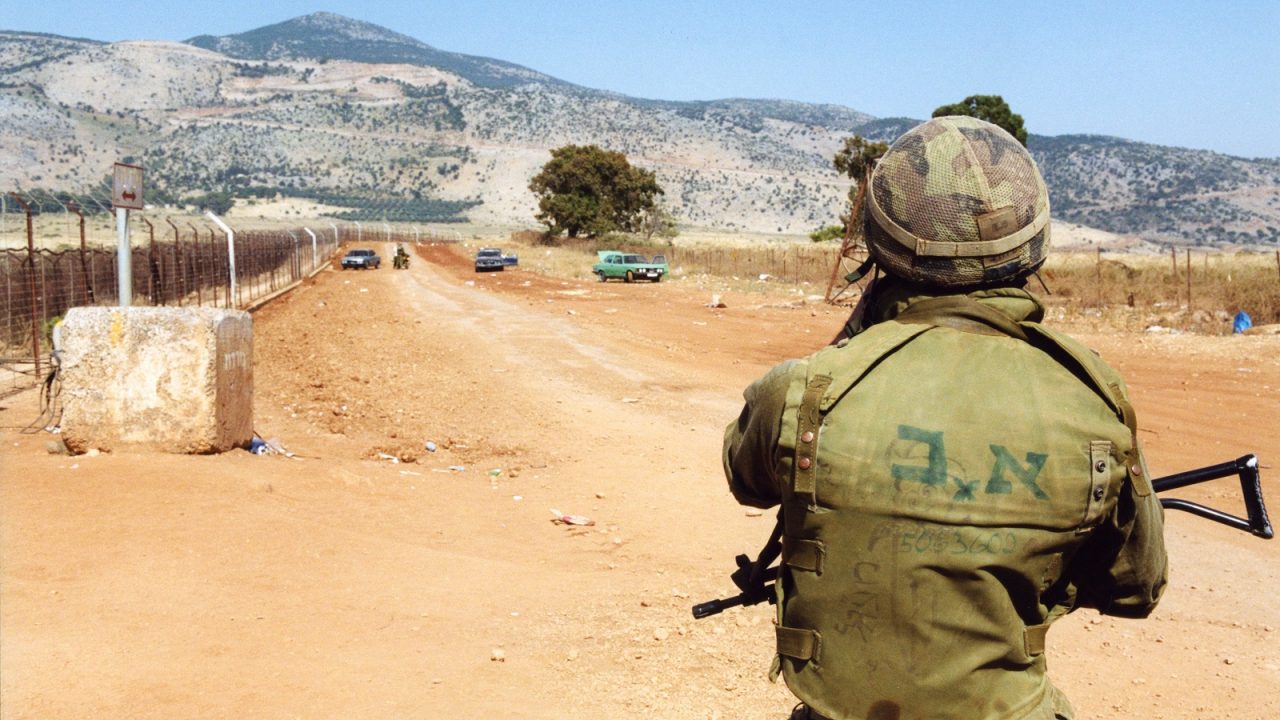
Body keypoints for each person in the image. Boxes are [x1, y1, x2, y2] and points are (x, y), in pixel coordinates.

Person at [722, 116, 1168, 720]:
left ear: (880, 244)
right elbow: (1136, 586)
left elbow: (743, 473)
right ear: (1032, 244)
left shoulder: (807, 389)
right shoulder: (1094, 396)